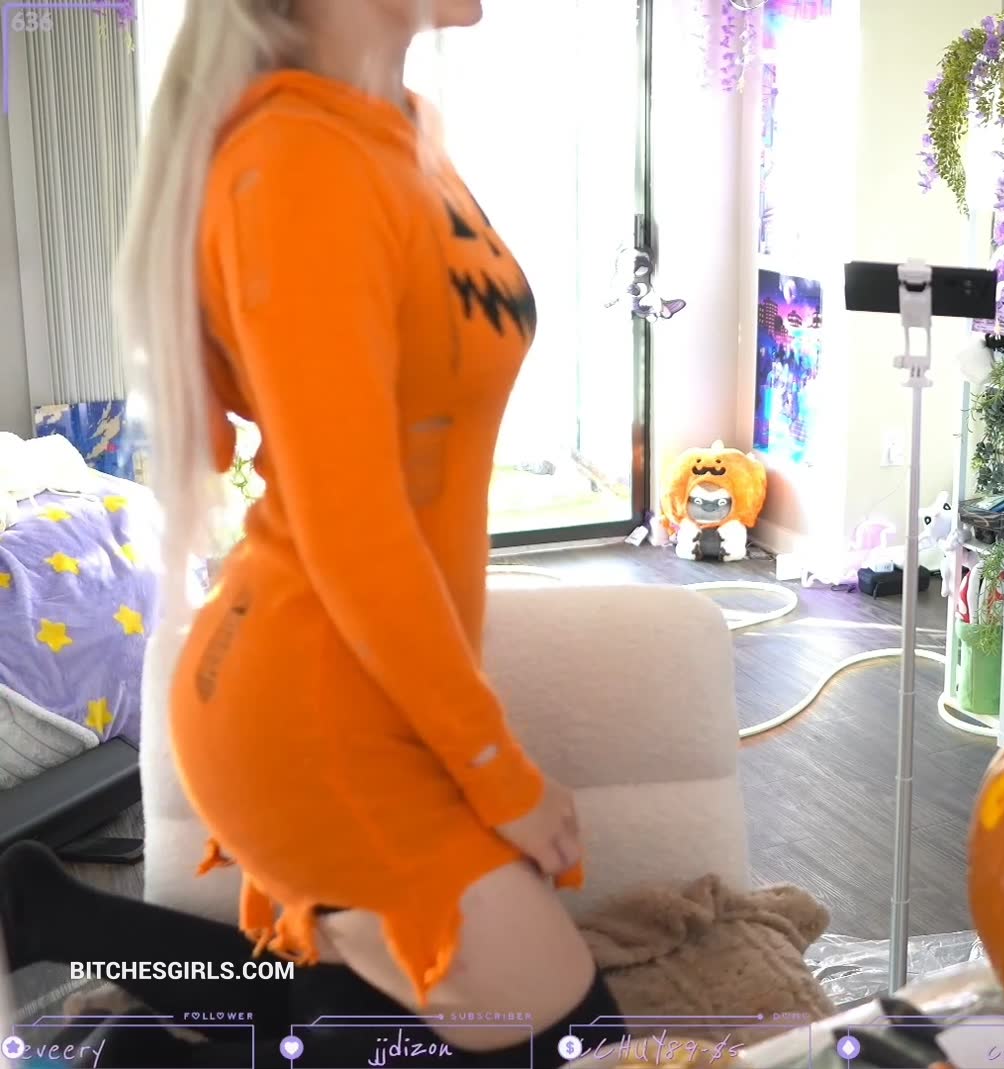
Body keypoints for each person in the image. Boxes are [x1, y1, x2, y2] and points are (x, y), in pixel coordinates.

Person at [6, 1, 614, 1065]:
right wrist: (497, 768)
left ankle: (75, 947)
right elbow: (351, 522)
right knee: (571, 1035)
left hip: (366, 679)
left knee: (371, 1001)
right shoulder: (295, 161)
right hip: (307, 703)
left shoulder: (396, 128)